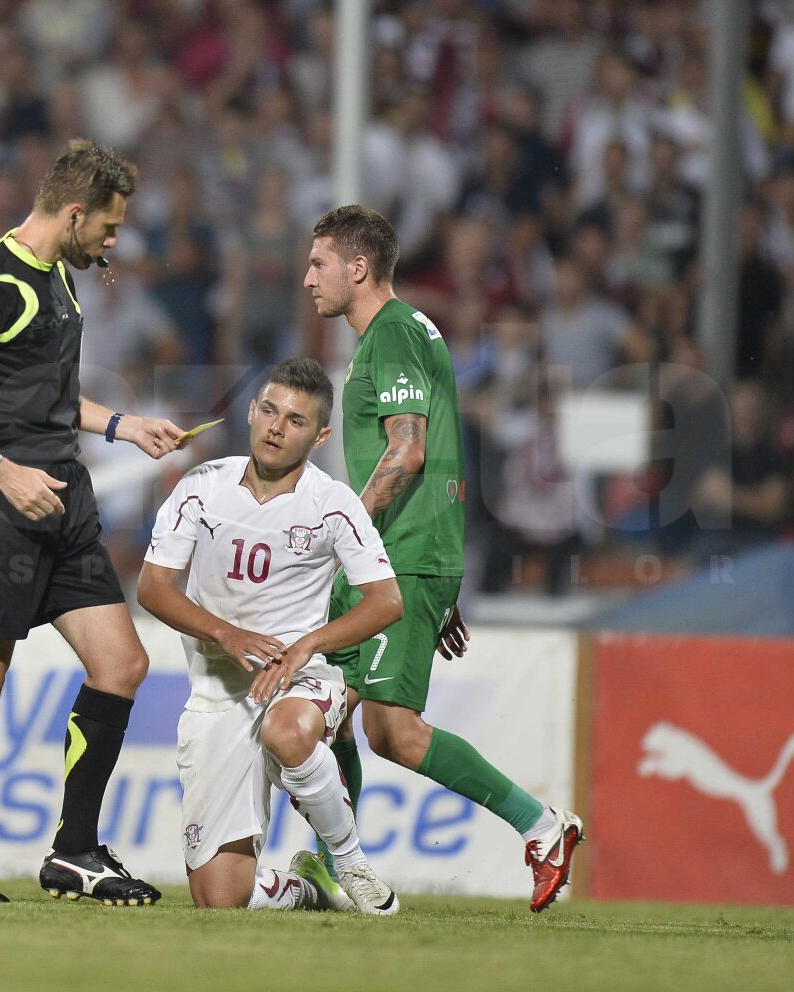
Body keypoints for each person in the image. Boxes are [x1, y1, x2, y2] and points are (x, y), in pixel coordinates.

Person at [0, 139, 186, 905]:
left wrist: (122, 424)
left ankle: (75, 853)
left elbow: (46, 398)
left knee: (122, 664)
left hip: (63, 500)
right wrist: (1, 469)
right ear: (73, 214)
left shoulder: (58, 277)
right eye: (111, 226)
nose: (114, 241)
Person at [302, 205, 584, 913]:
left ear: (357, 268)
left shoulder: (392, 335)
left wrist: (345, 532)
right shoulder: (415, 330)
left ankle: (538, 827)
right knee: (338, 712)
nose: (308, 279)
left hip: (396, 557)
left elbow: (409, 451)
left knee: (383, 728)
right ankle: (340, 860)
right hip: (411, 552)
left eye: (319, 264)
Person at [137, 358, 404, 914]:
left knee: (288, 732)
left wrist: (308, 645)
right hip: (219, 699)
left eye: (297, 420)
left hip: (299, 679)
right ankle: (307, 890)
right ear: (253, 412)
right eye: (269, 411)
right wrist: (226, 634)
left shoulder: (333, 503)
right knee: (219, 898)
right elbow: (153, 587)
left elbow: (387, 601)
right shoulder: (202, 487)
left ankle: (349, 860)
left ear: (320, 434)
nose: (278, 427)